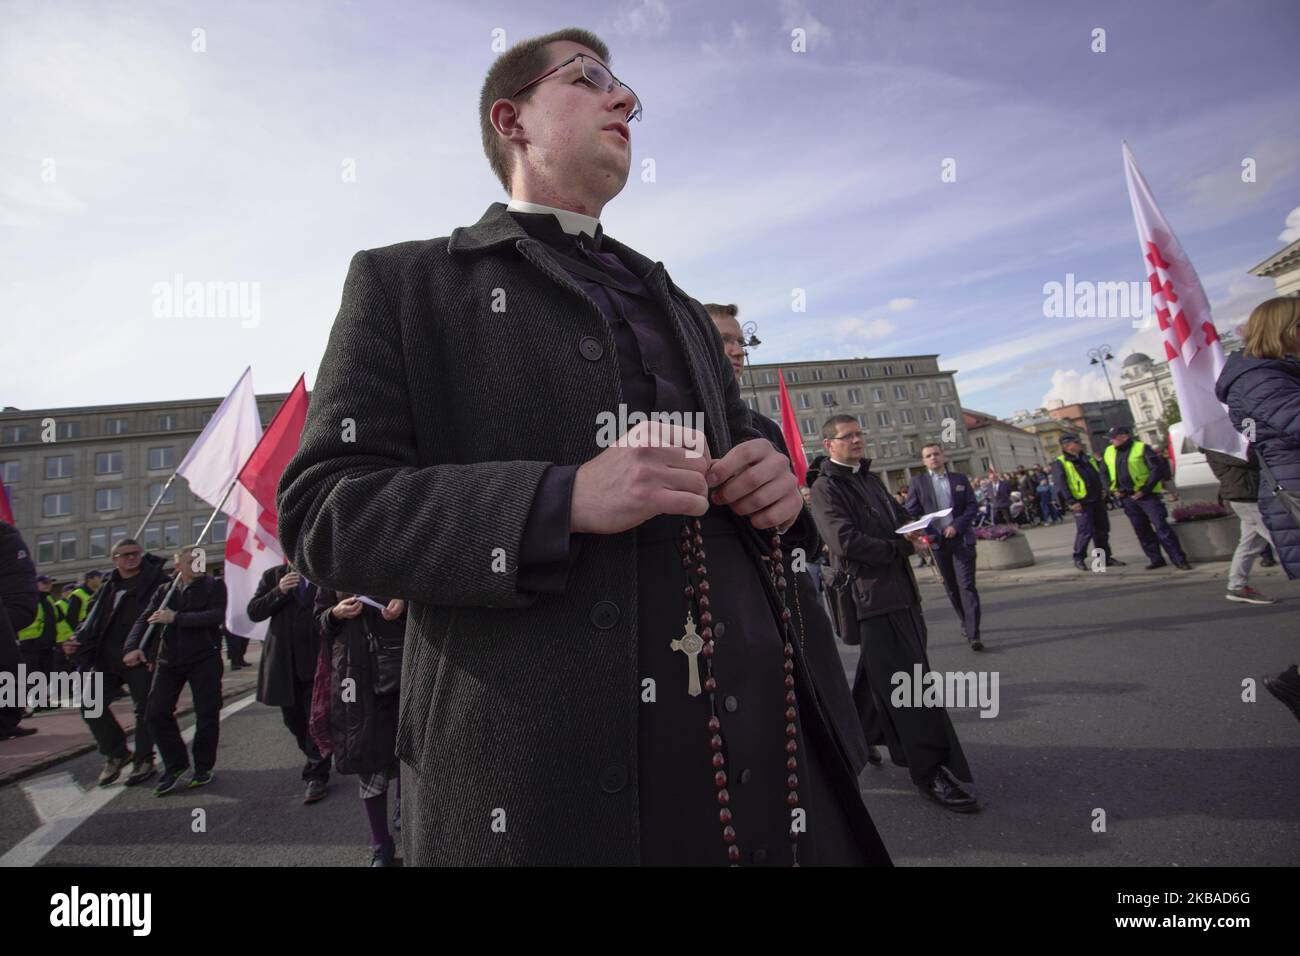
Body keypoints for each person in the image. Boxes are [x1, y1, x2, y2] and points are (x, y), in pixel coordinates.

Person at [276, 28, 889, 867]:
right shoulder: (405, 285)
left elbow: (740, 433)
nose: (624, 100)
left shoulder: (676, 299)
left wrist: (773, 472)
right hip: (540, 781)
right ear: (511, 118)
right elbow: (324, 515)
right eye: (591, 79)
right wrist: (560, 500)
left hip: (768, 750)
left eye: (627, 89)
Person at [707, 302, 876, 773]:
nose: (737, 350)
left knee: (826, 729)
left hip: (791, 598)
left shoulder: (764, 428)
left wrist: (794, 520)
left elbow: (800, 533)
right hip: (732, 617)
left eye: (741, 340)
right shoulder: (682, 424)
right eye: (725, 340)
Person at [811, 415, 978, 812]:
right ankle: (930, 770)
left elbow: (897, 517)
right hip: (872, 599)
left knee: (880, 674)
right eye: (847, 436)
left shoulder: (868, 478)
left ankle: (856, 735)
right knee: (910, 684)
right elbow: (844, 540)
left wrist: (917, 528)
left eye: (859, 433)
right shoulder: (825, 487)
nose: (856, 440)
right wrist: (900, 548)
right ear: (828, 443)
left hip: (902, 592)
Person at [1215, 296, 1300, 721]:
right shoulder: (1260, 379)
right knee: (1253, 538)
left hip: (1272, 493)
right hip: (1283, 496)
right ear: (1287, 331)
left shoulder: (1273, 374)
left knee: (1251, 539)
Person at [124, 544, 228, 796]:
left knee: (207, 713)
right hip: (169, 660)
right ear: (178, 565)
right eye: (191, 560)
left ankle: (203, 767)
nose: (197, 564)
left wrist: (177, 618)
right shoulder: (165, 591)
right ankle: (175, 765)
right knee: (155, 713)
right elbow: (145, 618)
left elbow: (215, 616)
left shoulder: (214, 586)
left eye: (200, 560)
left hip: (204, 657)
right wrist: (133, 646)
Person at [314, 590, 407, 866]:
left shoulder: (396, 554)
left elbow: (426, 595)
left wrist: (404, 601)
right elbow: (319, 620)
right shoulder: (331, 563)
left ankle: (407, 808)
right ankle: (381, 845)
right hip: (353, 675)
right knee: (364, 752)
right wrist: (335, 613)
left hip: (400, 664)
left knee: (408, 746)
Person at [64, 538, 168, 786]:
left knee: (144, 708)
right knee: (91, 704)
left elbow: (162, 622)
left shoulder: (158, 582)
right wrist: (77, 639)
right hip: (105, 656)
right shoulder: (108, 586)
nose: (130, 558)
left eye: (135, 554)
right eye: (124, 555)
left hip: (140, 655)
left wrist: (154, 654)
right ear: (114, 559)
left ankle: (144, 759)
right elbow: (91, 619)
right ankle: (117, 753)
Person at [247, 562, 332, 803]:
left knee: (315, 719)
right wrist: (279, 591)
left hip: (317, 663)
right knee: (293, 720)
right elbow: (255, 611)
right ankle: (315, 754)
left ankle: (316, 774)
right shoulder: (273, 575)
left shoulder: (323, 572)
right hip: (284, 664)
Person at [905, 443, 982, 650]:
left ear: (943, 456)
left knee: (966, 585)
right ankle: (965, 620)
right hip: (937, 543)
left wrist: (957, 525)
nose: (933, 458)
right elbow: (911, 511)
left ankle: (974, 633)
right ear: (924, 461)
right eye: (928, 455)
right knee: (951, 587)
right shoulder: (918, 482)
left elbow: (972, 506)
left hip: (961, 540)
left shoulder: (959, 479)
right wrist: (915, 529)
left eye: (936, 454)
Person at [1103, 424, 1191, 571]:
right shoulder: (1109, 452)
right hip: (1127, 497)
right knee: (1141, 530)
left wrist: (1144, 490)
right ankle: (1156, 558)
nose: (1111, 442)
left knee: (1161, 527)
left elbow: (1156, 470)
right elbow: (1104, 473)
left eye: (1114, 438)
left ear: (1124, 436)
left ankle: (1179, 559)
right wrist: (1112, 491)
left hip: (1146, 496)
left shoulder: (1142, 448)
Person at [1205, 446, 1276, 604]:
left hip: (1248, 494)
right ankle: (1237, 586)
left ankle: (1237, 586)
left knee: (1249, 544)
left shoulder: (1223, 442)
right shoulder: (1216, 445)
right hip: (1244, 497)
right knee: (1278, 537)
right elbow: (1249, 458)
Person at [1051, 433, 1125, 572]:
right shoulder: (1060, 462)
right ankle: (1079, 557)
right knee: (1085, 531)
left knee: (1102, 530)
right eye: (1076, 442)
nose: (1079, 444)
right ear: (1067, 446)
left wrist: (1103, 489)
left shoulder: (1087, 458)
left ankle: (1103, 558)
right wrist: (1071, 501)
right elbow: (1062, 484)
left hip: (1096, 498)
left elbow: (1098, 474)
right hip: (1081, 502)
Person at [0, 520, 38, 740]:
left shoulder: (7, 536)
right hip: (14, 607)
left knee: (10, 669)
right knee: (10, 668)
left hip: (12, 607)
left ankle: (6, 721)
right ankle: (6, 721)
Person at [16, 576, 61, 711]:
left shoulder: (49, 599)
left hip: (47, 642)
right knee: (32, 674)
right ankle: (32, 702)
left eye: (50, 583)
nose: (48, 585)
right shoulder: (29, 599)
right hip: (30, 642)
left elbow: (57, 618)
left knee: (45, 673)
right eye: (44, 583)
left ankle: (42, 701)